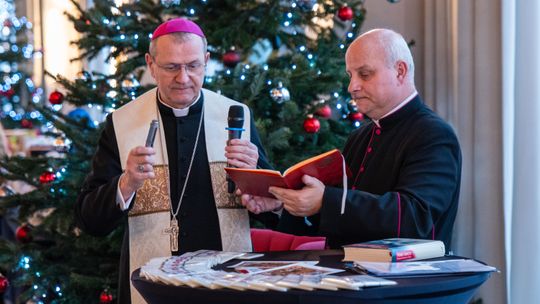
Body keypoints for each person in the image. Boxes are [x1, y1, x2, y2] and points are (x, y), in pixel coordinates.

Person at [75, 18, 274, 304]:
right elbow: (88, 219)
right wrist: (127, 183)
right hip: (152, 287)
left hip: (223, 281)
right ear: (151, 64)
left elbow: (271, 208)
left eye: (193, 66)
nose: (183, 78)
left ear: (206, 61)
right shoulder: (122, 123)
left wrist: (254, 176)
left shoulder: (235, 116)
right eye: (171, 67)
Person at [241, 28, 462, 252]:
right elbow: (335, 222)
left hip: (408, 282)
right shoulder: (360, 137)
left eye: (364, 74)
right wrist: (283, 204)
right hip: (349, 276)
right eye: (350, 75)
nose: (352, 87)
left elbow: (415, 218)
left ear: (400, 71)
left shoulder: (433, 134)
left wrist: (326, 201)